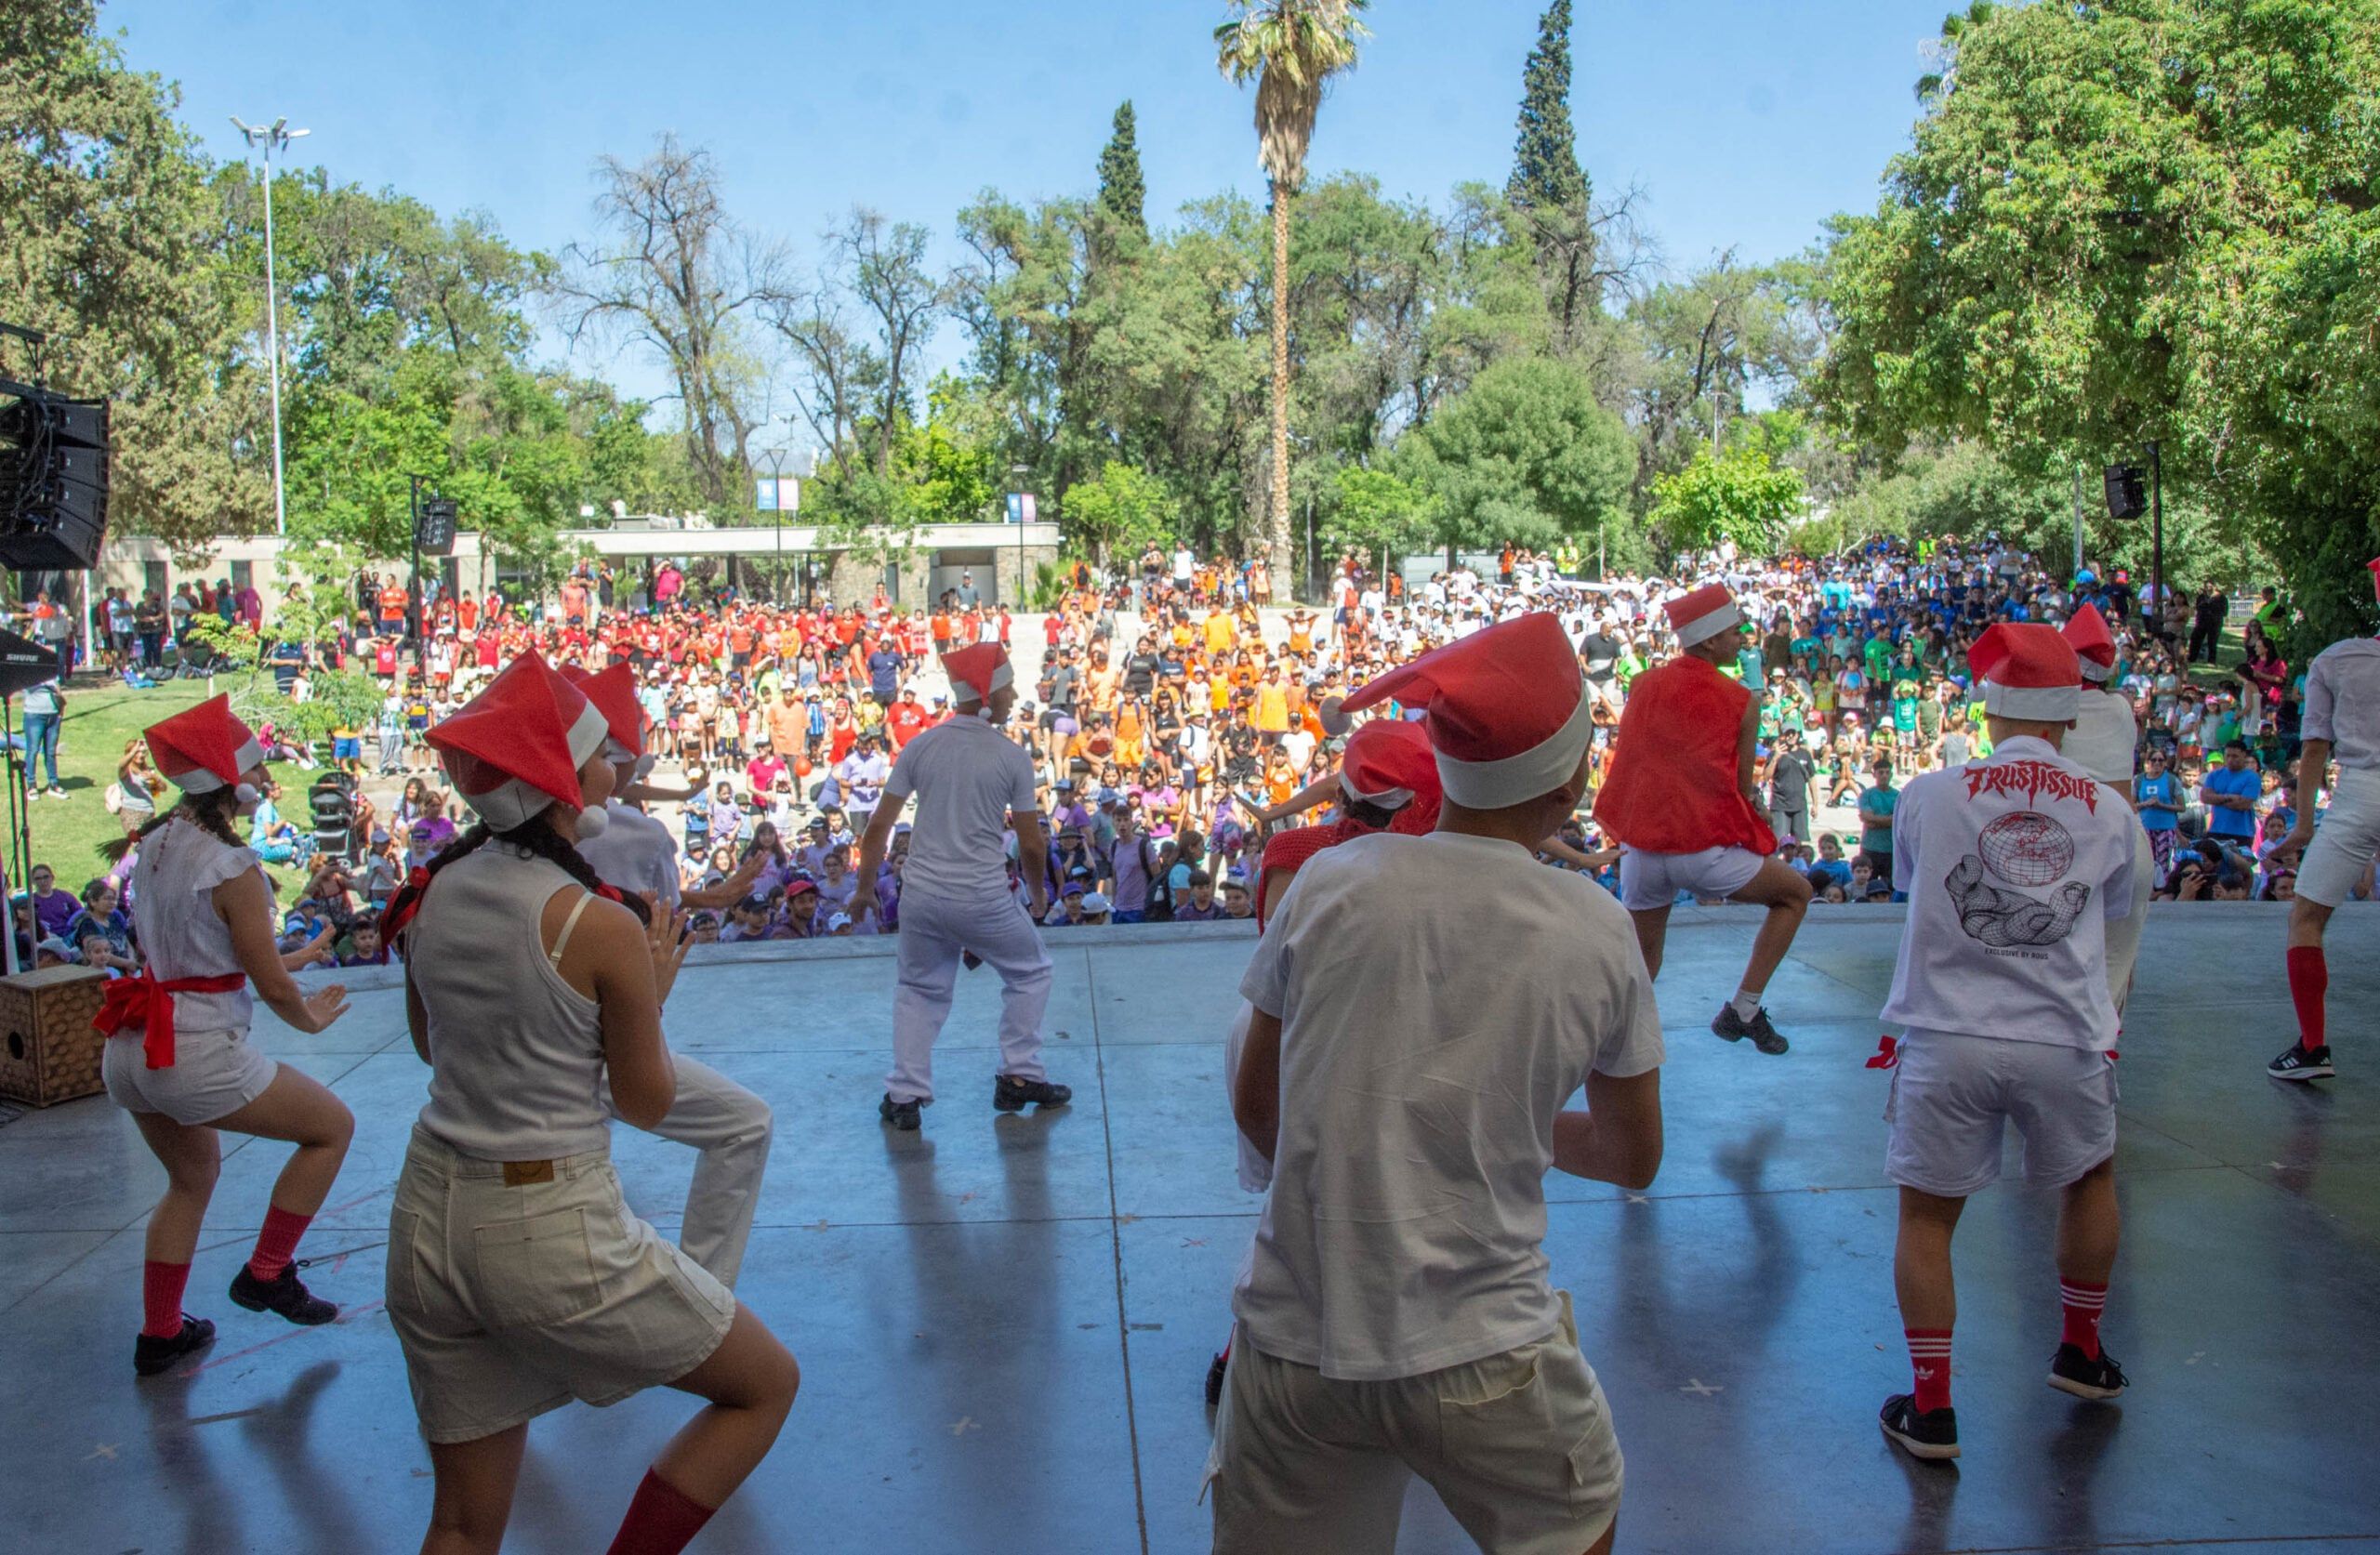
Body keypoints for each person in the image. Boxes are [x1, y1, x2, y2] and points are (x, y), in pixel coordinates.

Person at [1212, 613, 1663, 1554]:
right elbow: (1630, 1154)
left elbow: (1256, 1104)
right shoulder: (1596, 927)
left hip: (1294, 1339)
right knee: (1576, 1518)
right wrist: (1495, 1121)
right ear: (1576, 777)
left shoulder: (1330, 883)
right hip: (1485, 1347)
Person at [380, 652, 799, 1555]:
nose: (618, 759)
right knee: (764, 1384)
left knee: (459, 1522)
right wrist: (652, 982)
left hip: (425, 1218)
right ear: (565, 782)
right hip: (545, 1225)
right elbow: (645, 1100)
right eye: (599, 750)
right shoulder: (596, 923)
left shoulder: (434, 890)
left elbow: (429, 1044)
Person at [1871, 624, 2137, 1462]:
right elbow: (2120, 910)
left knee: (1927, 1217)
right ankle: (2082, 1352)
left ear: (1989, 711)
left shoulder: (1931, 793)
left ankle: (1934, 1408)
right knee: (2089, 1178)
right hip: (2062, 1035)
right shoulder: (2110, 808)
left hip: (1947, 1033)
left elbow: (1917, 886)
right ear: (2070, 714)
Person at [90, 695, 357, 1377]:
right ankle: (266, 1272)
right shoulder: (233, 868)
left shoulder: (153, 842)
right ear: (231, 785)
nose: (266, 782)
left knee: (190, 1178)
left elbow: (213, 954)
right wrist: (309, 1016)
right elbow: (266, 985)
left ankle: (161, 1333)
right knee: (331, 1127)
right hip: (192, 1049)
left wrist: (296, 957)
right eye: (260, 771)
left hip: (133, 1045)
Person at [564, 664, 775, 1287]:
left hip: (501, 1063)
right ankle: (703, 1295)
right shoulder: (640, 835)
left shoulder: (470, 857)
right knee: (743, 1122)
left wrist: (702, 897)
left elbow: (607, 892)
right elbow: (647, 931)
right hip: (590, 1048)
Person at [853, 642, 1071, 1131]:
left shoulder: (921, 746)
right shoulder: (1011, 757)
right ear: (989, 697)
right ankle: (1020, 1074)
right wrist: (1037, 895)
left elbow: (877, 829)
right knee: (1031, 972)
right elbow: (1032, 844)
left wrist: (866, 888)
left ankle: (904, 1095)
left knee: (919, 989)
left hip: (922, 896)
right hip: (982, 897)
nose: (1015, 696)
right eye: (1009, 688)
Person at [1593, 585, 1812, 1054]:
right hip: (1701, 851)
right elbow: (1741, 783)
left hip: (1643, 851)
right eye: (1735, 633)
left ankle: (1601, 1045)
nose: (1743, 640)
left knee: (1643, 966)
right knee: (1795, 894)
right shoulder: (1742, 698)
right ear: (1711, 641)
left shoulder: (1644, 684)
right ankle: (1745, 1007)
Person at [2264, 558, 2380, 1081]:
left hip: (2361, 795)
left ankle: (2313, 1048)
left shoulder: (2337, 660)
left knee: (2307, 917)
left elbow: (2314, 747)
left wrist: (2304, 824)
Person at [2061, 603, 2157, 1008]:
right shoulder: (2121, 708)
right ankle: (2104, 1050)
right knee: (2118, 961)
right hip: (2127, 836)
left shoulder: (2052, 712)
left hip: (2072, 836)